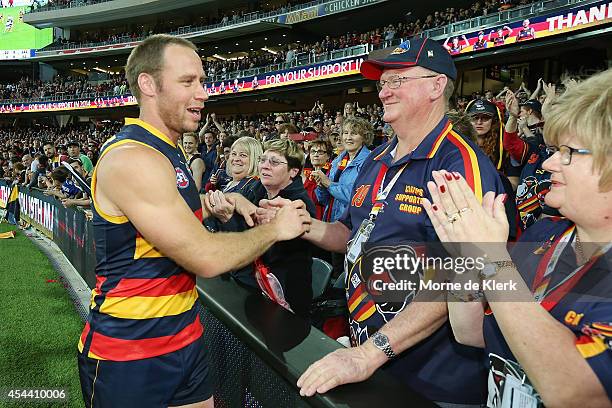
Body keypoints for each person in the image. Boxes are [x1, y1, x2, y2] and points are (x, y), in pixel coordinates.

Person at [76, 34, 310, 408]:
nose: (203, 93)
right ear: (148, 85)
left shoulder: (165, 150)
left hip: (183, 336)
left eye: (202, 81)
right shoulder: (133, 157)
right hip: (130, 352)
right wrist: (275, 229)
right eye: (188, 82)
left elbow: (163, 210)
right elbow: (205, 257)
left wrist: (226, 200)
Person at [287, 37, 504, 405]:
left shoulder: (458, 164)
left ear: (437, 86)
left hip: (430, 381)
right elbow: (354, 234)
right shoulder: (378, 158)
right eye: (382, 83)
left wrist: (367, 355)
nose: (384, 91)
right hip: (368, 360)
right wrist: (302, 224)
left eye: (397, 80)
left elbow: (458, 278)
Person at [424, 69, 612, 407]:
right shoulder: (543, 234)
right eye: (555, 149)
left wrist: (492, 261)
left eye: (569, 151)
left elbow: (579, 392)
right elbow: (470, 332)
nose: (551, 162)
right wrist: (466, 255)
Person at [313, 115, 372, 277]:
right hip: (333, 225)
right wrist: (321, 186)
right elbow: (322, 200)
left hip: (353, 228)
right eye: (345, 133)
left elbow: (357, 198)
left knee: (351, 275)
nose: (348, 137)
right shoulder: (338, 160)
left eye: (354, 133)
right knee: (335, 272)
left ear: (364, 137)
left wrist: (329, 184)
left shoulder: (370, 162)